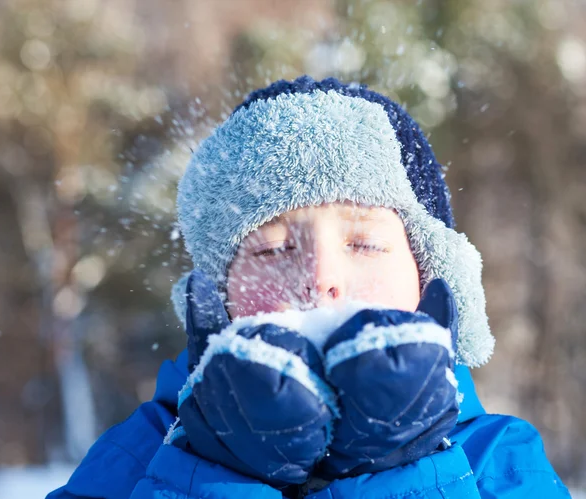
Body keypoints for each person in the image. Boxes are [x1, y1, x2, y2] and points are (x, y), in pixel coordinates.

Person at [47, 76, 570, 498]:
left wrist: (405, 464)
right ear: (217, 298)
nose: (321, 279)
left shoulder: (499, 459)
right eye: (273, 250)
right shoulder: (142, 452)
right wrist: (210, 468)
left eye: (363, 243)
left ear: (431, 279)